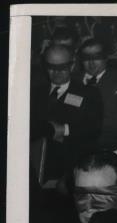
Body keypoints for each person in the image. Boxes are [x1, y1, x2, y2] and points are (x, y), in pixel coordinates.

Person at [30, 43, 103, 181]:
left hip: (71, 166)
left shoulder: (89, 93)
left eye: (62, 68)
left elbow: (94, 128)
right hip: (36, 163)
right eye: (51, 67)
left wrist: (64, 129)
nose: (56, 73)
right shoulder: (34, 92)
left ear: (72, 65)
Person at [77, 37, 117, 151]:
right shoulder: (74, 80)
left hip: (112, 143)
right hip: (77, 143)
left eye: (97, 57)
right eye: (86, 58)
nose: (91, 63)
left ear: (106, 57)